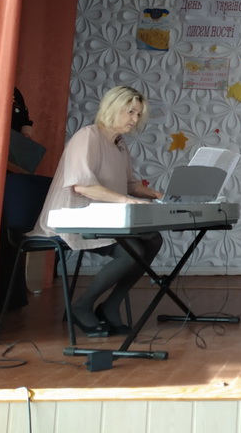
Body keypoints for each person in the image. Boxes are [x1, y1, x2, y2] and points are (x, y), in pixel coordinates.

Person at [28, 86, 164, 336]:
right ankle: (81, 306)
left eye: (138, 114)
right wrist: (126, 201)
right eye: (130, 112)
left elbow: (130, 185)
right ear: (112, 108)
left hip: (103, 219)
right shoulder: (87, 136)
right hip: (72, 217)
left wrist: (159, 195)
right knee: (131, 251)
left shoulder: (120, 145)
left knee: (153, 239)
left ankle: (111, 305)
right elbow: (83, 186)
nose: (135, 119)